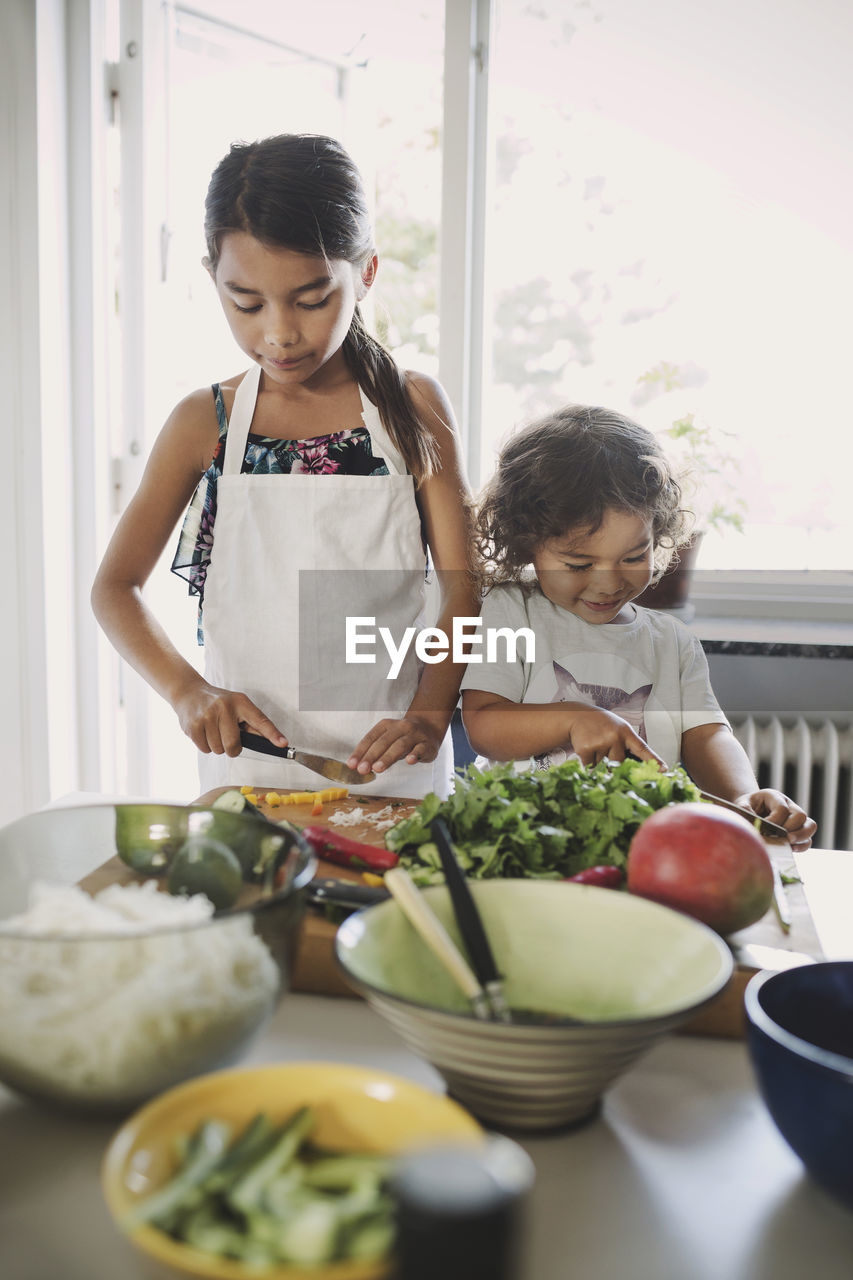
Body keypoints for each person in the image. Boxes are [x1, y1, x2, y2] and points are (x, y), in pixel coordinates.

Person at [92, 134, 476, 799]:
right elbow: (114, 588)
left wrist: (430, 713)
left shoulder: (410, 407)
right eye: (246, 303)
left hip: (394, 765)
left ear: (366, 274)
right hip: (252, 767)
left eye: (311, 299)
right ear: (212, 276)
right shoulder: (203, 422)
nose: (278, 333)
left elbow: (464, 589)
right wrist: (189, 692)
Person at [460, 405, 816, 850]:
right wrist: (578, 718)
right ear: (526, 542)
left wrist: (743, 797)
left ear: (658, 533)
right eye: (578, 563)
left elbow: (707, 734)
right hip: (517, 841)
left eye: (633, 557)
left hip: (639, 848)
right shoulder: (511, 612)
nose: (609, 581)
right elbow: (484, 725)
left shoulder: (672, 643)